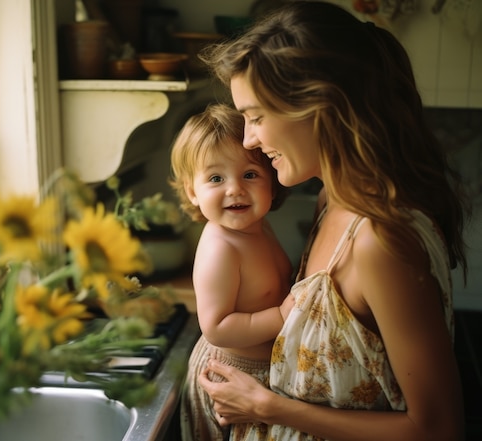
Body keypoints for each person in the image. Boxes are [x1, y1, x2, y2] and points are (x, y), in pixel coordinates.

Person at [196, 2, 470, 441]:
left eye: (257, 116)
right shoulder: (331, 198)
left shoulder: (380, 239)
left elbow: (437, 429)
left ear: (320, 107)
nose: (249, 139)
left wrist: (267, 407)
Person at [169, 103, 295, 441]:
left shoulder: (258, 226)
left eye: (250, 175)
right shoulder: (221, 248)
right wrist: (283, 316)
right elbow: (217, 328)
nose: (235, 189)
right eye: (215, 178)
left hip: (263, 372)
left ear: (272, 179)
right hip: (233, 375)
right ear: (192, 191)